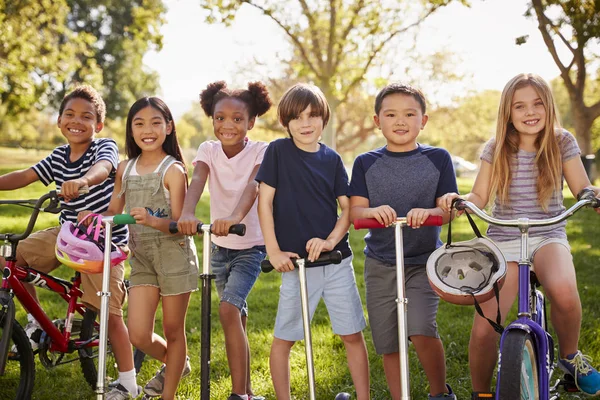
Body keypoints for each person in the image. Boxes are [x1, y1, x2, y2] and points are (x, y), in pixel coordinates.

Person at [438, 73, 600, 399]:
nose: (530, 112)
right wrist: (463, 203)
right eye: (520, 106)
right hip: (504, 237)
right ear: (508, 113)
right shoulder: (496, 147)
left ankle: (570, 357)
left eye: (538, 103)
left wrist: (591, 194)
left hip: (548, 232)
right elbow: (480, 196)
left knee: (565, 292)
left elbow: (581, 186)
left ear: (548, 106)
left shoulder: (561, 141)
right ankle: (481, 392)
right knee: (485, 326)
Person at [0, 85, 139, 399]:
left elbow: (103, 169)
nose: (77, 121)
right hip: (67, 234)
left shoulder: (103, 147)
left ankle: (128, 381)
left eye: (86, 117)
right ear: (60, 121)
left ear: (98, 125)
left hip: (103, 242)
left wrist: (83, 181)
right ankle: (36, 325)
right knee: (10, 260)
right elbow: (26, 174)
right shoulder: (59, 155)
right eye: (70, 114)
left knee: (109, 314)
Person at [256, 83, 370, 400]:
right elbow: (264, 203)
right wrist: (274, 250)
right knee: (284, 338)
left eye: (313, 116)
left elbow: (347, 209)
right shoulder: (277, 152)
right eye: (297, 118)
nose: (306, 124)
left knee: (351, 334)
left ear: (324, 118)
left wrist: (331, 240)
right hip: (295, 265)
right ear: (286, 122)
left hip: (336, 263)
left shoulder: (332, 159)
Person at [348, 83, 457, 400]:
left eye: (410, 114)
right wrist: (373, 210)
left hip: (423, 262)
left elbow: (447, 210)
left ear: (423, 120)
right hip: (381, 263)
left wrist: (432, 211)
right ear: (376, 120)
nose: (400, 121)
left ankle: (440, 393)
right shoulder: (366, 163)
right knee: (389, 339)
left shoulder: (437, 159)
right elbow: (356, 213)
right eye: (391, 114)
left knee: (421, 329)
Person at [87, 97, 198, 400]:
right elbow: (113, 209)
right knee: (138, 333)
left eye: (155, 123)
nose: (147, 130)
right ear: (131, 130)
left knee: (174, 330)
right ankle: (178, 364)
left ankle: (168, 395)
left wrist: (151, 220)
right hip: (143, 258)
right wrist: (97, 217)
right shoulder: (125, 168)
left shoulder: (172, 170)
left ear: (168, 127)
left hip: (174, 254)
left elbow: (178, 223)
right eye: (139, 123)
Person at [177, 81, 272, 400]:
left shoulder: (262, 151)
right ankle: (246, 391)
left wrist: (234, 218)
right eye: (220, 118)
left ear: (251, 122)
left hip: (251, 248)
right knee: (238, 317)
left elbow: (254, 187)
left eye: (236, 118)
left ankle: (237, 395)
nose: (227, 125)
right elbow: (198, 180)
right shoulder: (208, 150)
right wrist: (187, 213)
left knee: (229, 311)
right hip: (219, 250)